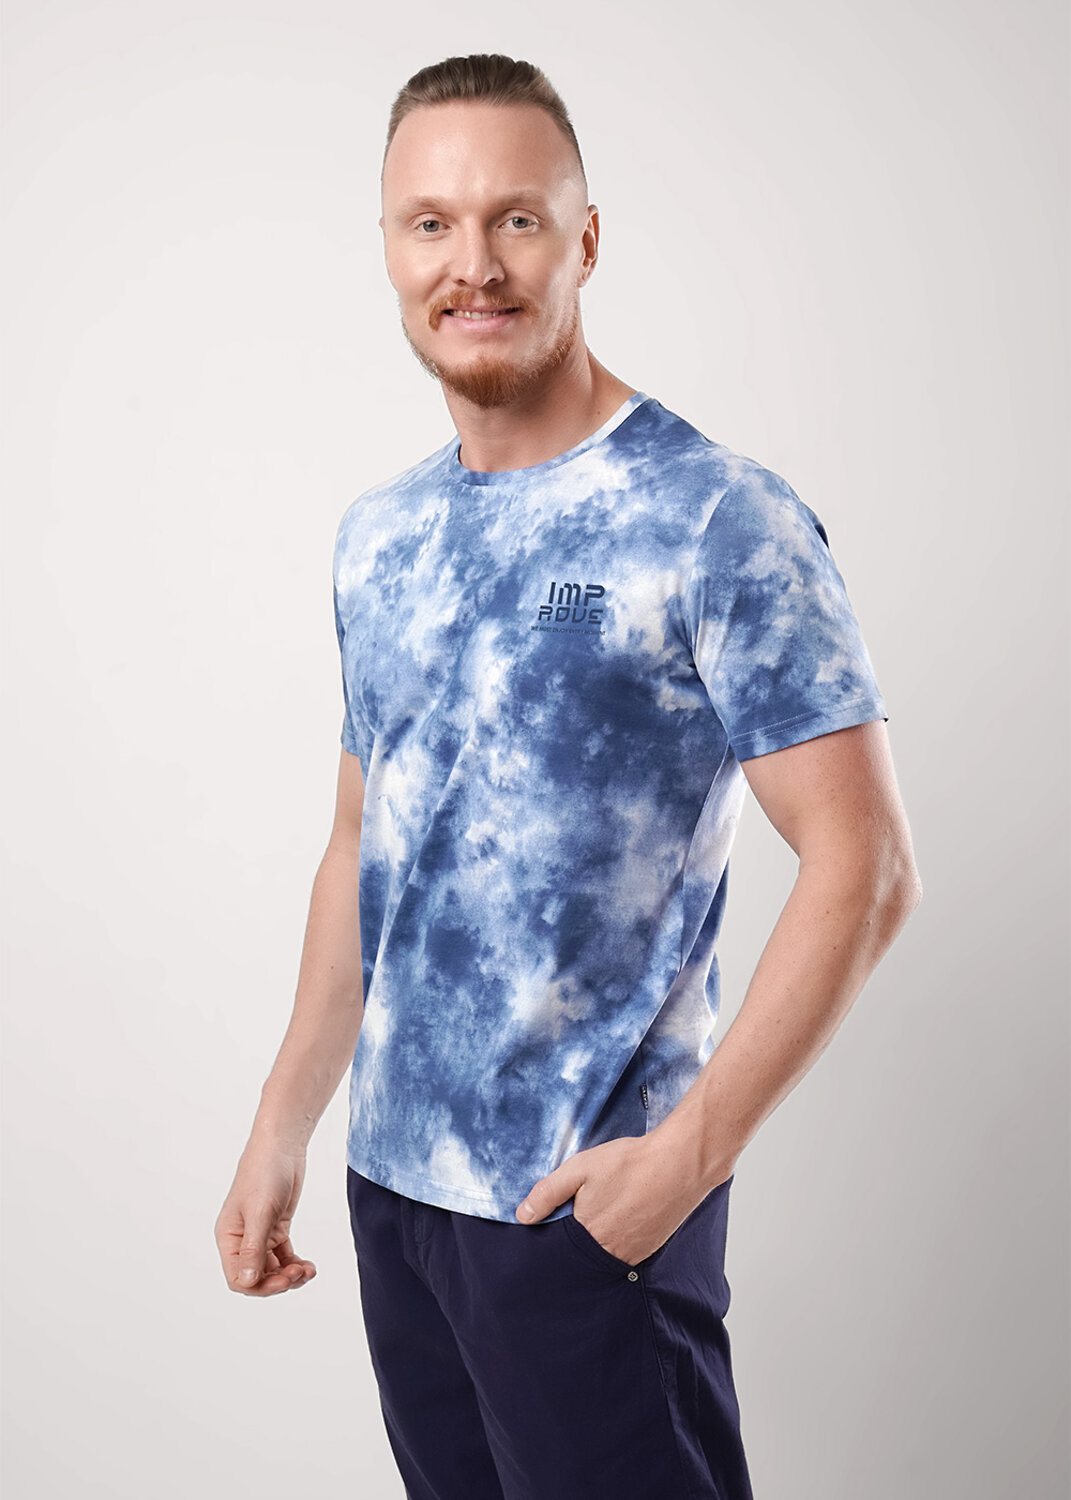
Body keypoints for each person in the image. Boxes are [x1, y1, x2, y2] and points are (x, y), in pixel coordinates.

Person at [214, 52, 922, 1500]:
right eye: (431, 223)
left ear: (584, 239)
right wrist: (284, 1120)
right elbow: (363, 840)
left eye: (516, 220)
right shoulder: (381, 537)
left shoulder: (714, 517)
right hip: (398, 1199)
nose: (472, 264)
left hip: (588, 1211)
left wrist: (688, 1158)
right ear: (390, 247)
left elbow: (867, 866)